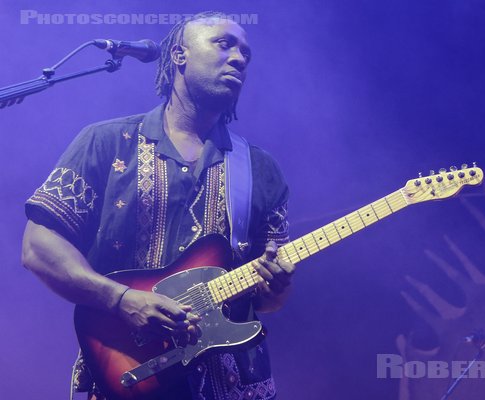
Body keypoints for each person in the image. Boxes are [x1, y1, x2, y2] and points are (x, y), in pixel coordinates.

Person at [21, 11, 294, 400]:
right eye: (224, 44)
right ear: (179, 55)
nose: (239, 58)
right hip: (131, 375)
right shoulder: (107, 142)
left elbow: (270, 302)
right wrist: (120, 300)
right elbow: (37, 248)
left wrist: (277, 283)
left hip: (232, 386)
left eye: (246, 53)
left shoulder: (261, 169)